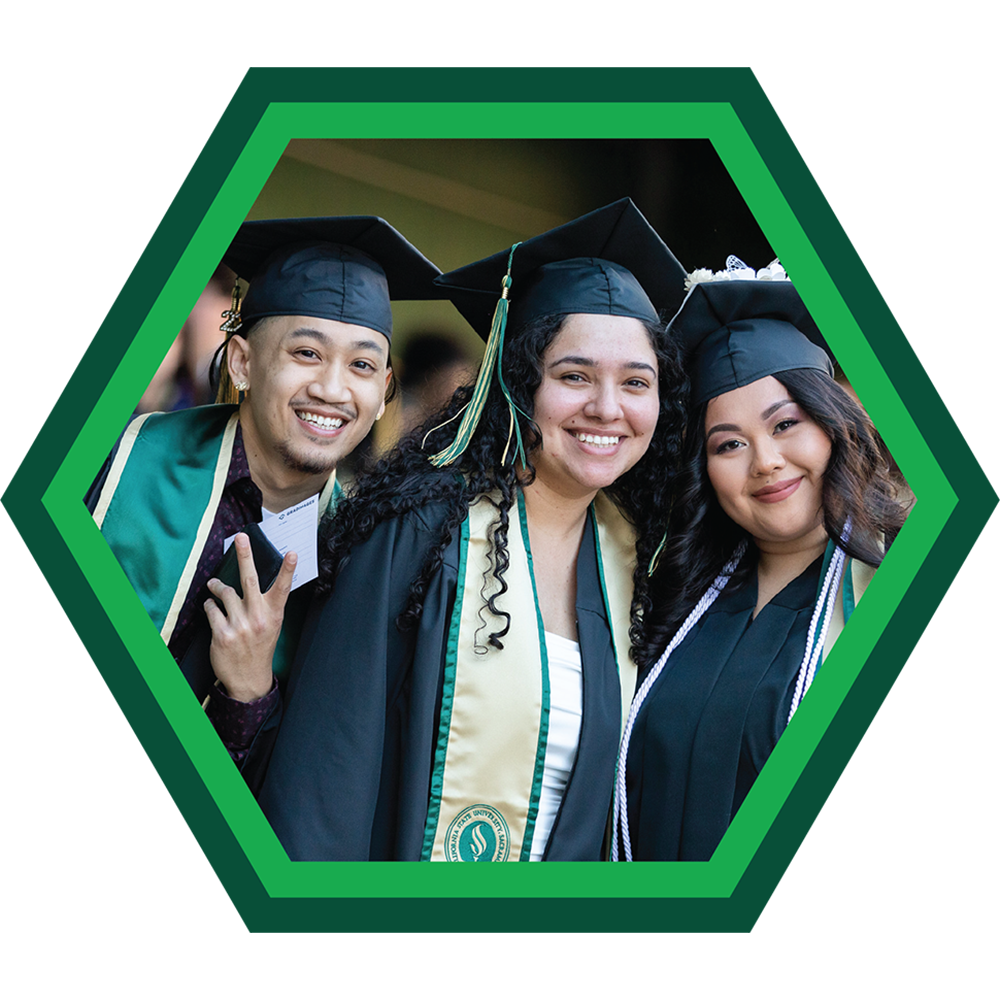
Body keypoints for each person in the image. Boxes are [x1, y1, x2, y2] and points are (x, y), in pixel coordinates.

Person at [216, 199, 690, 860]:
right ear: (518, 382)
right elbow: (325, 778)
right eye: (574, 376)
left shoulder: (636, 560)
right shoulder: (420, 531)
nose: (607, 408)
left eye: (636, 382)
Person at [612, 259, 910, 862]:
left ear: (835, 425)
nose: (766, 460)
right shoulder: (670, 593)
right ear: (705, 471)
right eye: (729, 443)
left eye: (786, 424)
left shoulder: (892, 579)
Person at [86, 216, 441, 717]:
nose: (333, 390)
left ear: (383, 393)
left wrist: (249, 691)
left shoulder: (359, 559)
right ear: (241, 363)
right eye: (306, 352)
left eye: (361, 365)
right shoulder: (120, 458)